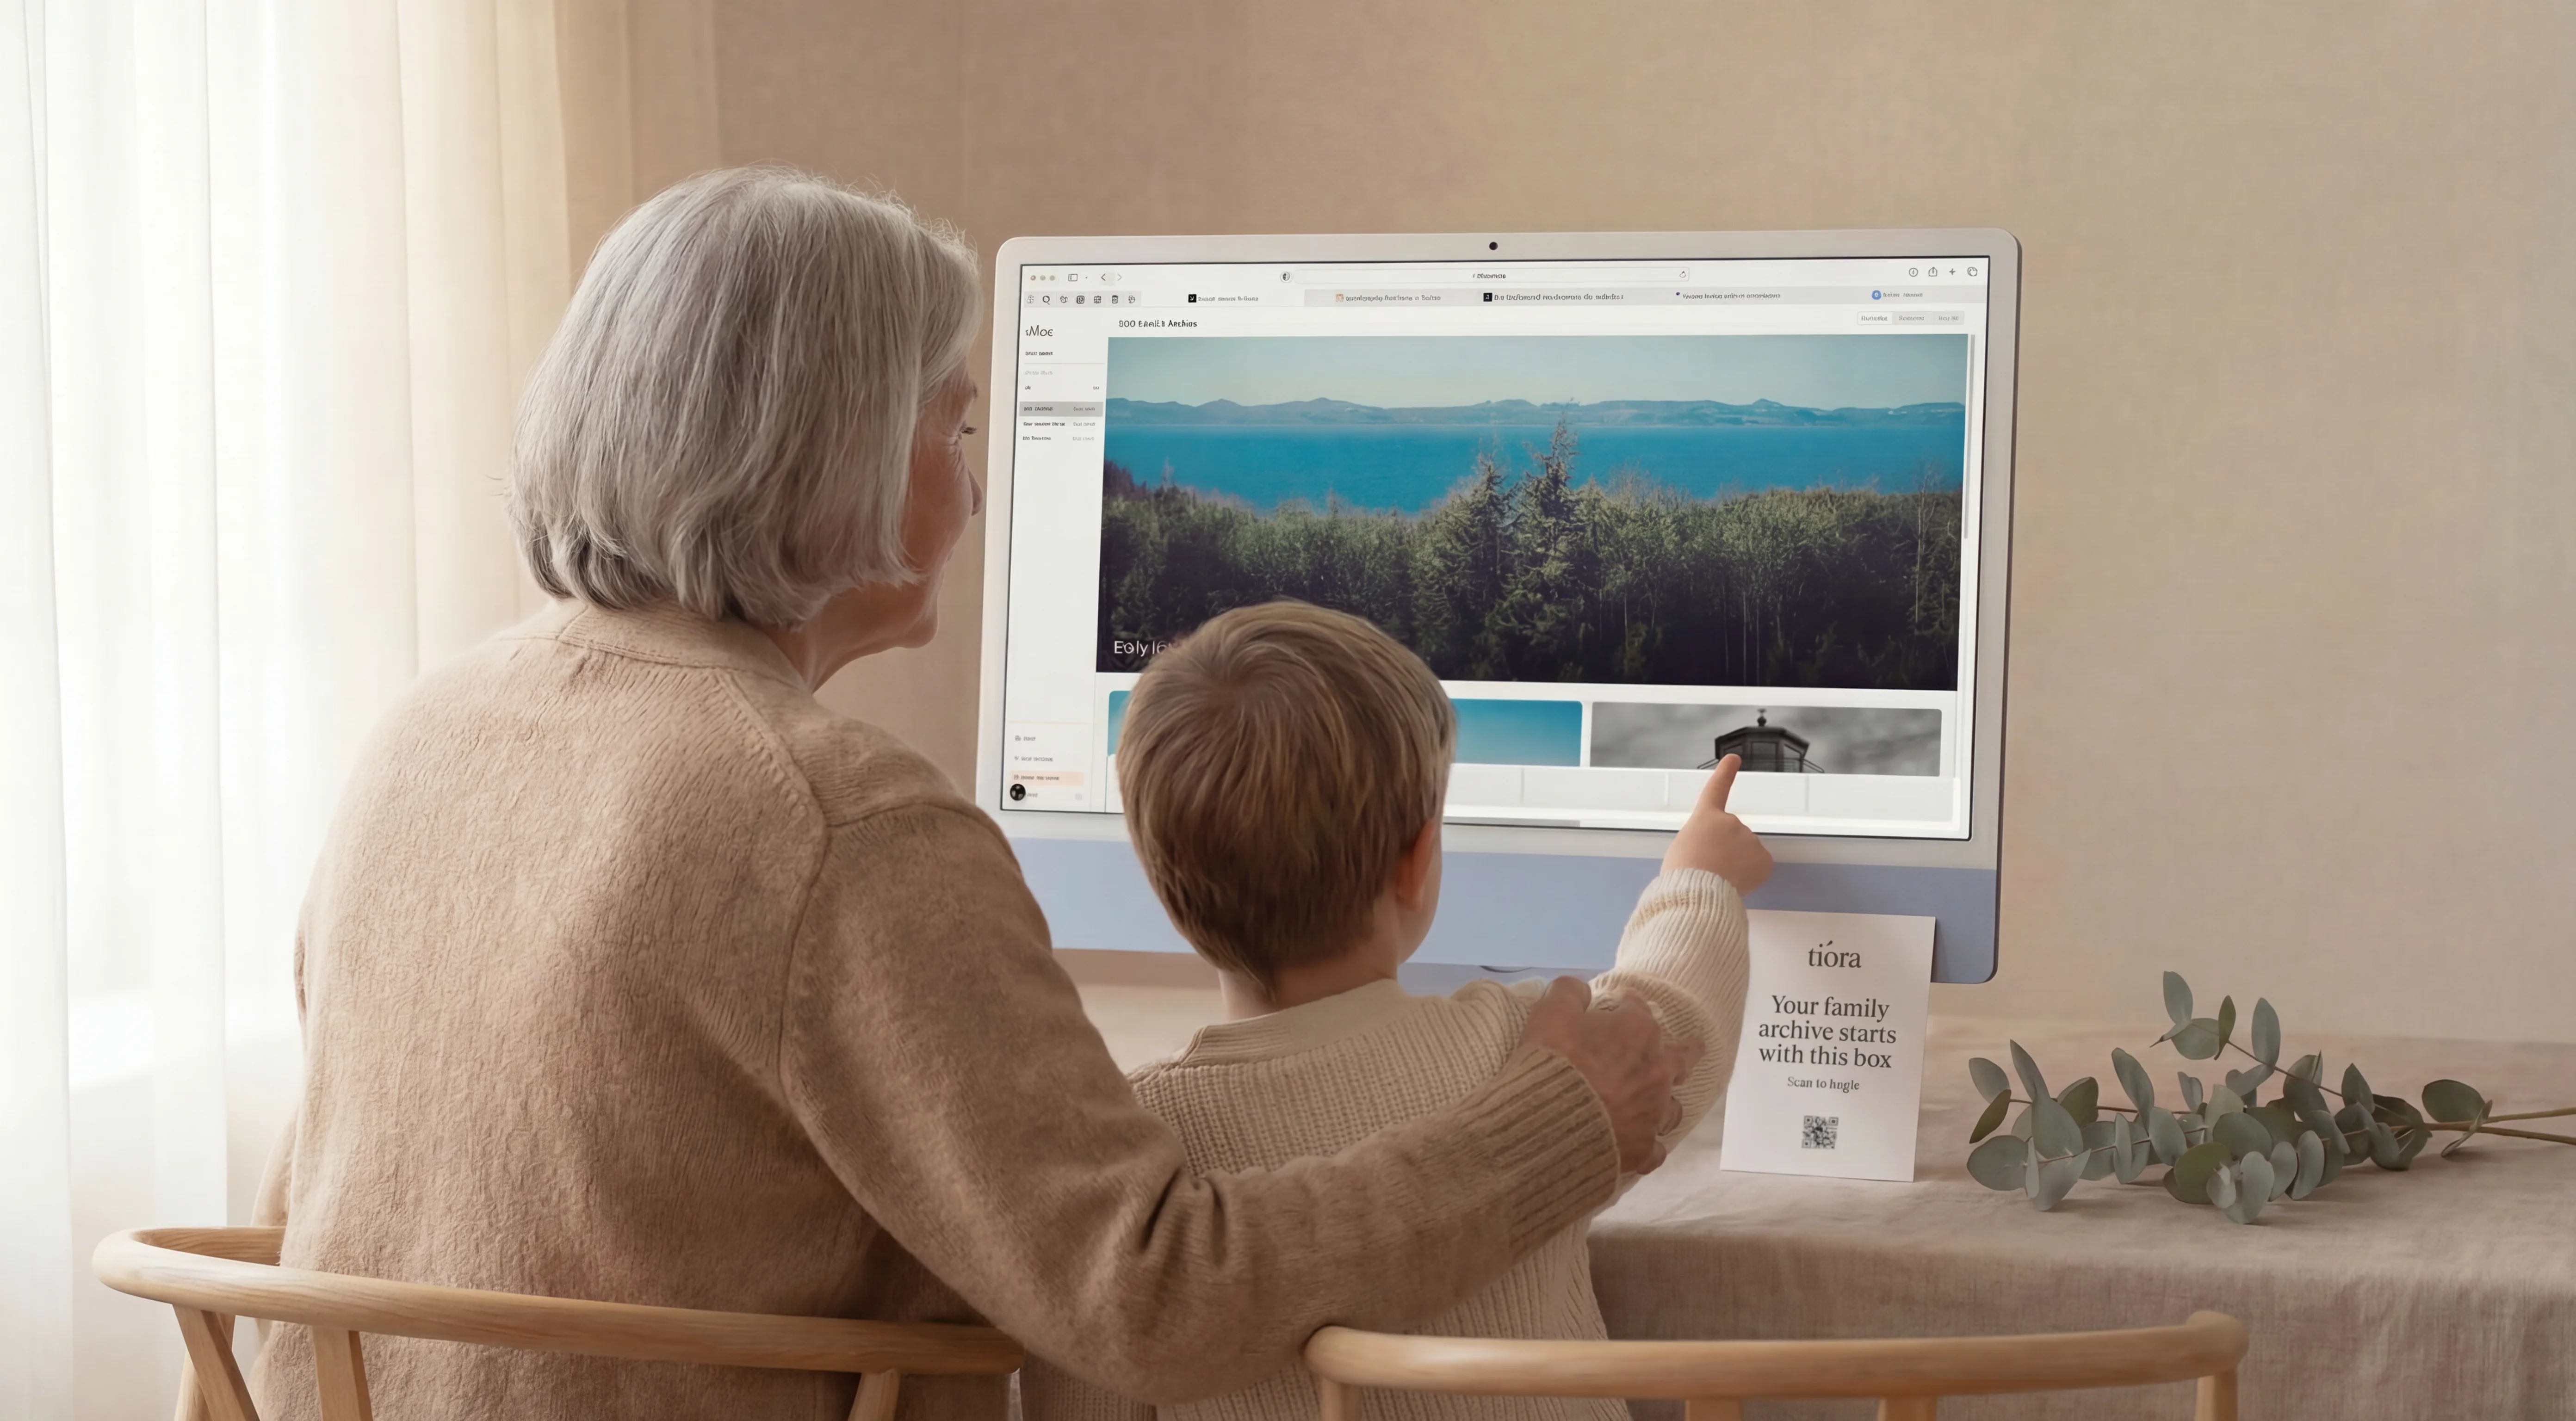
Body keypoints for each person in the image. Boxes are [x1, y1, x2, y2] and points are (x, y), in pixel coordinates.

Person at [248, 166, 1702, 1421]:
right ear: (833, 459)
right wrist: (1554, 1124)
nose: (978, 486)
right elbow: (1151, 1293)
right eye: (955, 430)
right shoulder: (839, 823)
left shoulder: (424, 733)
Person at [1022, 603, 1770, 1421]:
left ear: (1161, 880)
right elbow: (1673, 1021)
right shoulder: (1528, 1054)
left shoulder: (1138, 1159)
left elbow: (1083, 1381)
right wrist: (1700, 878)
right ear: (1417, 863)